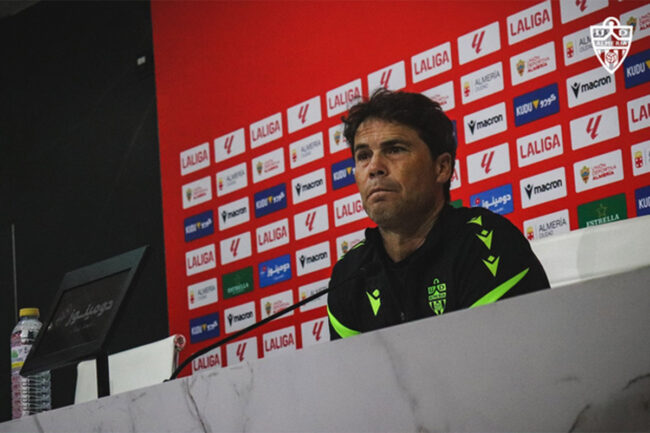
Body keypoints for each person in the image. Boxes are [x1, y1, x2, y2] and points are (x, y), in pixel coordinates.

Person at [327, 89, 550, 340]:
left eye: (395, 149)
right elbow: (353, 368)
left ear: (441, 167)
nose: (374, 167)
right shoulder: (349, 274)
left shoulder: (488, 244)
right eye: (363, 156)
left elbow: (502, 359)